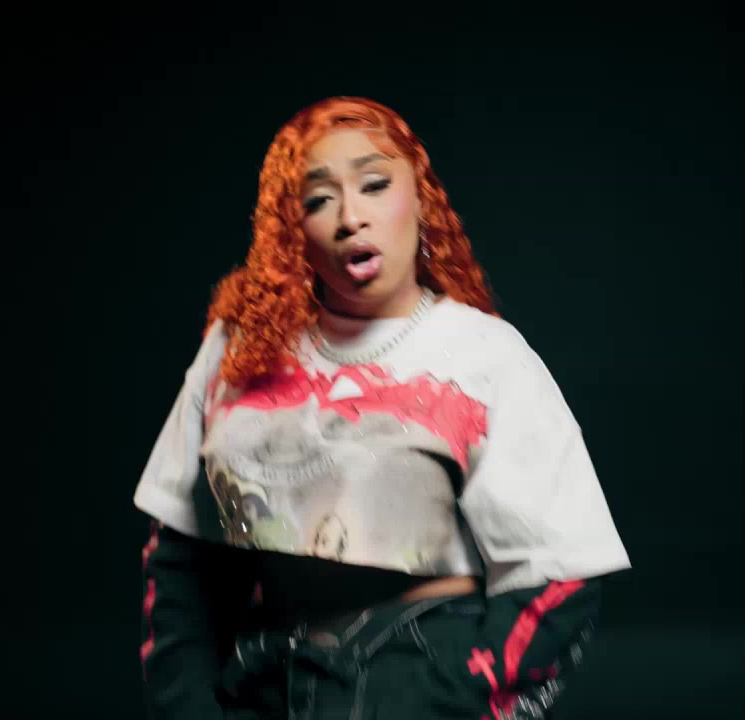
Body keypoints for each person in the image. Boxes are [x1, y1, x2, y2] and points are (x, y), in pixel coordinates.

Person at [134, 96, 631, 719]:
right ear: (291, 229)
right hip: (266, 679)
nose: (351, 217)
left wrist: (455, 694)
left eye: (374, 185)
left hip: (419, 672)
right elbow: (178, 561)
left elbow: (561, 574)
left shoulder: (486, 355)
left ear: (421, 198)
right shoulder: (236, 352)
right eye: (318, 199)